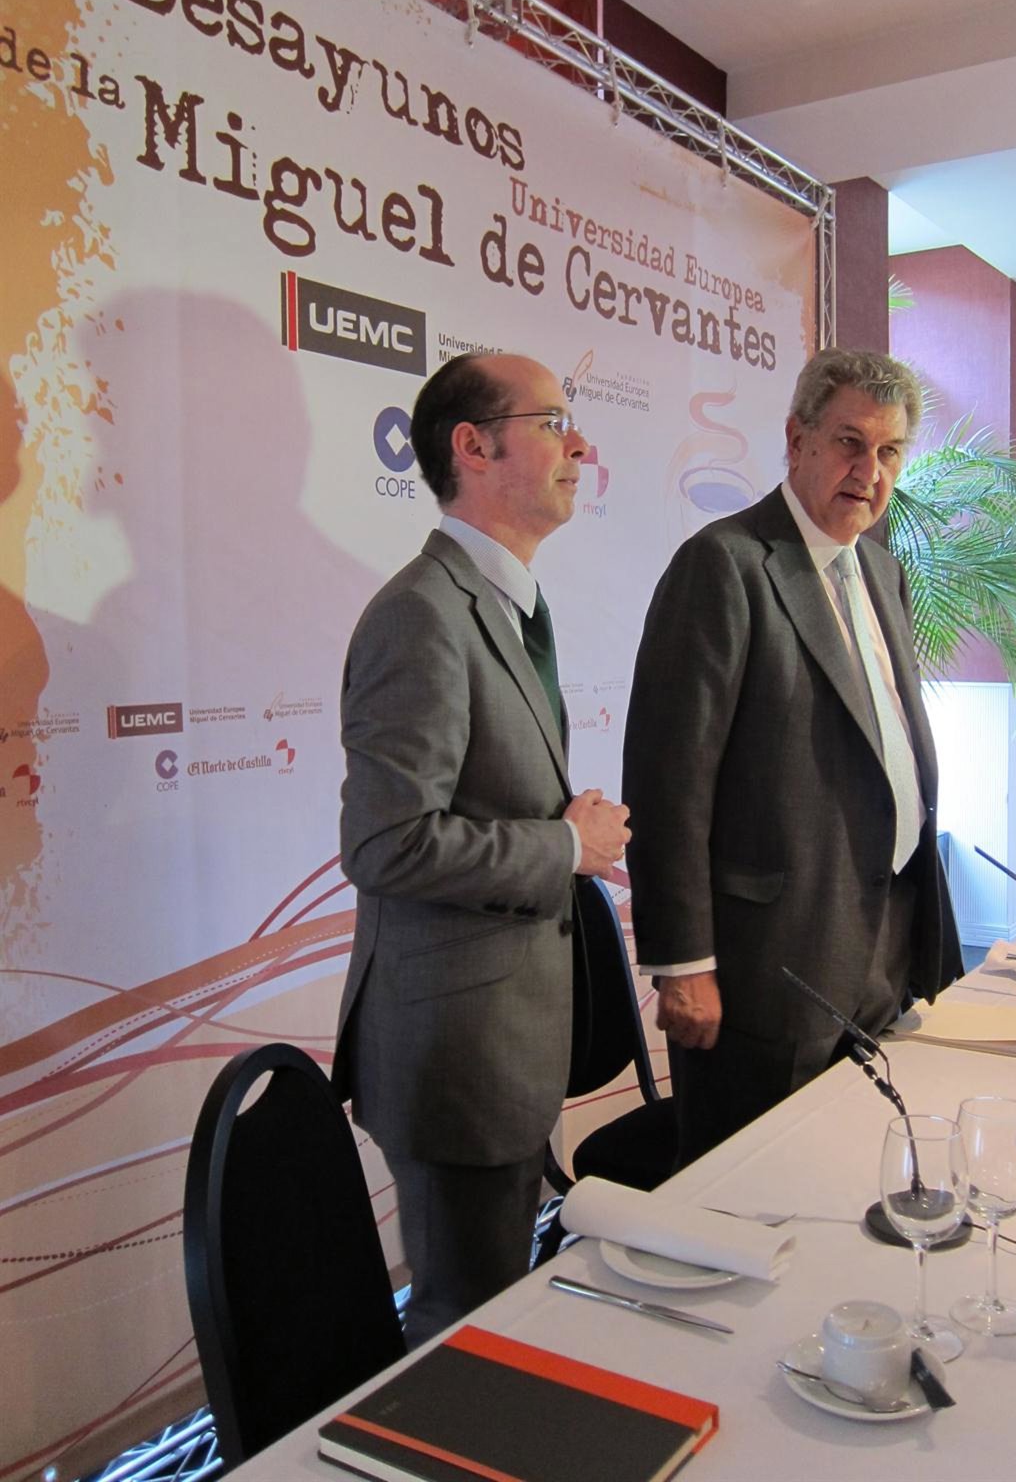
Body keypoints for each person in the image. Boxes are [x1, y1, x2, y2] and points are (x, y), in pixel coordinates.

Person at [334, 352, 630, 1346]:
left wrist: (560, 827)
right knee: (464, 1332)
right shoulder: (419, 615)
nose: (580, 444)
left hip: (506, 1040)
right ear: (473, 446)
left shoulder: (504, 604)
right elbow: (388, 844)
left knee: (502, 1315)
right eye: (553, 422)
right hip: (455, 1057)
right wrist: (565, 844)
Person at [622, 346, 961, 1166]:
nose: (869, 472)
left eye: (889, 452)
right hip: (768, 969)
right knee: (754, 1197)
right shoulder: (725, 565)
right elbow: (669, 784)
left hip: (885, 944)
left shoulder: (881, 570)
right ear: (797, 438)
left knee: (858, 1179)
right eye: (849, 442)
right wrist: (684, 964)